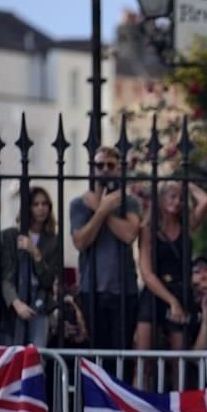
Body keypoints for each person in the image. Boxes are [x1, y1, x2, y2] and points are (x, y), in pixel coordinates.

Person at [70, 146, 142, 350]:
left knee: (122, 354)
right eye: (99, 165)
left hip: (124, 290)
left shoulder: (130, 202)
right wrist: (101, 211)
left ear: (119, 169)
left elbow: (129, 235)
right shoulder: (79, 204)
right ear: (92, 169)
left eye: (110, 165)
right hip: (91, 289)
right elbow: (80, 242)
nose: (104, 169)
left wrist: (101, 210)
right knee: (95, 354)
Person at [134, 180, 207, 353]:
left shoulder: (187, 225)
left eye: (181, 198)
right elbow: (146, 273)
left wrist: (187, 184)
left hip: (179, 289)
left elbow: (205, 201)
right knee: (143, 358)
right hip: (155, 291)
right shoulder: (148, 229)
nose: (177, 202)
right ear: (161, 199)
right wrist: (171, 301)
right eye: (172, 197)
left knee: (179, 359)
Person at [0, 186, 62, 347]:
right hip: (13, 303)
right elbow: (6, 276)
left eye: (45, 204)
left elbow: (48, 280)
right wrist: (16, 302)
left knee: (36, 355)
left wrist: (36, 253)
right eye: (36, 204)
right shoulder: (10, 236)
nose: (41, 208)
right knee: (12, 355)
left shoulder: (53, 241)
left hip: (39, 303)